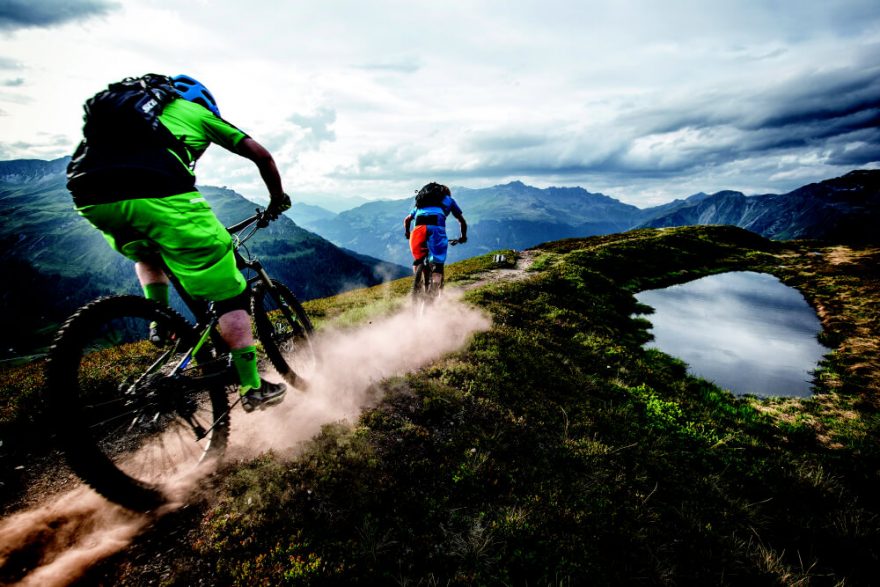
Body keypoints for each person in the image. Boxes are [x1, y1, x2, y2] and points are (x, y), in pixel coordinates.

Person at [67, 74, 291, 412]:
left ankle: (160, 320)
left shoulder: (126, 116)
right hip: (159, 192)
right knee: (231, 290)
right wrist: (277, 200)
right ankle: (252, 386)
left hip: (90, 196)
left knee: (148, 252)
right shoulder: (196, 112)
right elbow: (262, 156)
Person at [403, 182, 467, 290]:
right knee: (438, 261)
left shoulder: (421, 203)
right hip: (436, 227)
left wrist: (408, 233)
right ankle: (434, 290)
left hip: (418, 227)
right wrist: (463, 237)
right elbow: (461, 221)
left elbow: (407, 220)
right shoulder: (449, 200)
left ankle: (418, 282)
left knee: (418, 258)